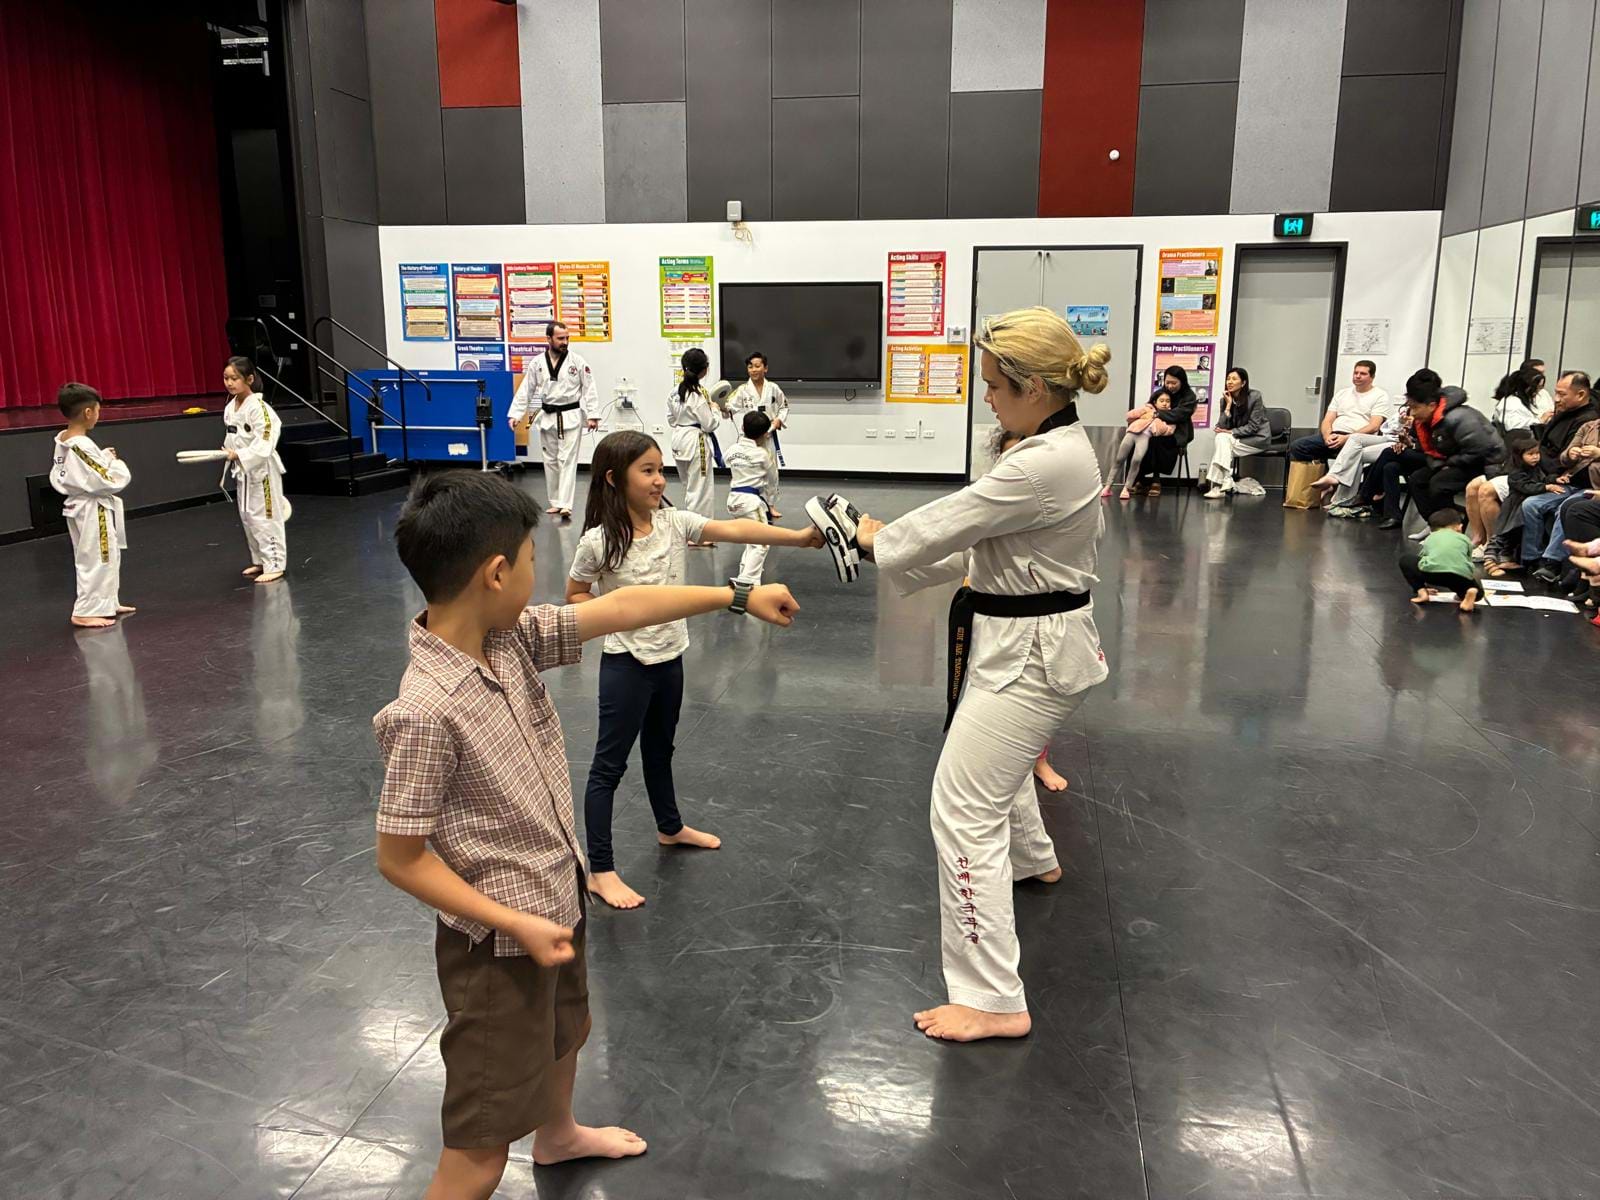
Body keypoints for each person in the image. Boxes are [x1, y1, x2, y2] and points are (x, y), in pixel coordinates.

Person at [373, 471, 800, 1199]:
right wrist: (515, 922)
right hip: (497, 946)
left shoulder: (507, 640)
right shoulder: (423, 709)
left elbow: (625, 606)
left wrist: (735, 596)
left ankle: (559, 1134)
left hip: (553, 895)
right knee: (477, 1148)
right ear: (496, 572)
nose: (543, 574)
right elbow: (401, 859)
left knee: (565, 1033)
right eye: (534, 559)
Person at [855, 306, 1112, 1043]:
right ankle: (1034, 861)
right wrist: (884, 549)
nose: (989, 397)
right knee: (991, 778)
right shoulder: (1052, 443)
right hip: (1022, 639)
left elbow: (953, 519)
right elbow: (985, 557)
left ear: (1034, 386)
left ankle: (994, 997)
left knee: (962, 807)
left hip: (1031, 656)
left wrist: (880, 538)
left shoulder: (1041, 463)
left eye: (996, 384)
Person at [567, 431, 820, 910]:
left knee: (660, 750)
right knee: (609, 768)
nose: (660, 480)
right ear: (613, 478)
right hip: (627, 664)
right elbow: (575, 595)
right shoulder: (598, 542)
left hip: (670, 659)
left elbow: (736, 530)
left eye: (662, 470)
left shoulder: (674, 523)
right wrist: (616, 612)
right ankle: (599, 869)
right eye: (648, 471)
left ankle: (669, 827)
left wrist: (797, 538)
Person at [49, 382, 135, 629]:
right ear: (88, 412)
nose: (98, 416)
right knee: (97, 557)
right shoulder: (81, 445)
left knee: (104, 556)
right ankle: (86, 610)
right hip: (91, 508)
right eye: (97, 410)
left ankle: (106, 602)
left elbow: (83, 470)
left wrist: (103, 458)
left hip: (80, 506)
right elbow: (110, 480)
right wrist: (115, 463)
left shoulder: (64, 440)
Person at [507, 321, 600, 518]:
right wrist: (516, 414)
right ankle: (555, 502)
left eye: (567, 338)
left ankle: (566, 504)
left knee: (566, 460)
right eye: (560, 338)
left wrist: (592, 415)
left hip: (571, 416)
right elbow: (526, 390)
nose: (565, 342)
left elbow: (589, 388)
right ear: (548, 339)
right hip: (548, 416)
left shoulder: (577, 362)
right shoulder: (537, 363)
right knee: (550, 461)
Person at [1517, 371, 1600, 578]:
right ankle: (1530, 559)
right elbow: (1564, 457)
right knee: (1530, 504)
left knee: (1568, 507)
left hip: (1585, 485)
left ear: (1581, 395)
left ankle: (1552, 563)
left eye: (1562, 394)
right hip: (1563, 478)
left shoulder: (1585, 417)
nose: (1556, 399)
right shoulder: (1589, 426)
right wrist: (1571, 454)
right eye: (1556, 393)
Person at [221, 356, 292, 584]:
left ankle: (274, 563)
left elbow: (266, 441)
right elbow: (233, 435)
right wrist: (229, 451)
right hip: (243, 470)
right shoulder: (231, 407)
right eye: (226, 378)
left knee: (266, 516)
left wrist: (241, 454)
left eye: (235, 378)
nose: (230, 383)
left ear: (249, 379)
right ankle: (260, 559)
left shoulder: (260, 409)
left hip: (262, 471)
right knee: (248, 516)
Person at [1404, 382, 1504, 519]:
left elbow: (1479, 450)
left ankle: (1452, 524)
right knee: (1417, 480)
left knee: (1439, 484)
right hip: (1458, 460)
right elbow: (1431, 448)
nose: (1413, 413)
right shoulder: (1427, 420)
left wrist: (1449, 463)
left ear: (1432, 406)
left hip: (1486, 463)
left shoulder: (1459, 417)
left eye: (1415, 408)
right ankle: (1436, 524)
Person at [1289, 360, 1391, 465]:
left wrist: (1347, 438)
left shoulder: (1380, 395)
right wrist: (1327, 436)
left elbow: (1374, 426)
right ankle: (1323, 472)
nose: (1358, 376)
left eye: (1363, 374)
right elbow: (1327, 420)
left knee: (1351, 453)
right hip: (1334, 435)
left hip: (1357, 438)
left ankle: (1334, 476)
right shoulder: (1342, 393)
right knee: (1298, 446)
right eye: (1355, 373)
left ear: (1372, 377)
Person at [666, 347, 722, 533]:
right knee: (701, 490)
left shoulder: (674, 392)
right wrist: (714, 408)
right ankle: (700, 533)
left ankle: (691, 529)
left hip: (679, 440)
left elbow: (671, 419)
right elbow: (710, 424)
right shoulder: (698, 394)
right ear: (704, 369)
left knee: (689, 487)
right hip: (696, 441)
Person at [727, 350, 789, 518]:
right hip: (747, 438)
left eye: (757, 366)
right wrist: (719, 406)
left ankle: (770, 505)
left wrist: (778, 420)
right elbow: (729, 407)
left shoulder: (773, 388)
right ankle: (749, 502)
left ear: (765, 368)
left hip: (767, 436)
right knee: (747, 470)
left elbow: (784, 407)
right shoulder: (742, 390)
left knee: (771, 473)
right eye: (750, 367)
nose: (753, 370)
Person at [725, 411, 782, 585]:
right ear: (765, 434)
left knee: (752, 539)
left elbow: (724, 460)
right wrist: (771, 499)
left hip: (733, 499)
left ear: (742, 428)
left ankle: (745, 572)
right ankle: (747, 580)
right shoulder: (762, 454)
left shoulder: (733, 449)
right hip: (751, 502)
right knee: (762, 541)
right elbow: (773, 480)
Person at [1475, 433, 1546, 570]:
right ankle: (1490, 554)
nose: (1535, 457)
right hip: (1514, 506)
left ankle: (1503, 558)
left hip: (1520, 505)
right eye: (1530, 454)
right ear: (1520, 456)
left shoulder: (1536, 468)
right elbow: (1526, 486)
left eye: (1537, 453)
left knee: (1512, 534)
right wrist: (1545, 487)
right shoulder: (1515, 473)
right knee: (1504, 532)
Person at [1201, 367, 1269, 498]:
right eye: (1228, 379)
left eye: (1234, 379)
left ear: (1243, 383)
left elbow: (1253, 427)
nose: (1229, 382)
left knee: (1222, 443)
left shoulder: (1255, 397)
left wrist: (1230, 431)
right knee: (1221, 440)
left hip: (1257, 439)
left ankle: (1218, 486)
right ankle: (1225, 480)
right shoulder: (1225, 399)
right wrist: (1228, 406)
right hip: (1237, 440)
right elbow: (1221, 426)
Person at [1104, 381, 1177, 500]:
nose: (1164, 403)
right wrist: (1145, 412)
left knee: (1136, 460)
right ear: (1155, 401)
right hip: (1131, 433)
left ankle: (1126, 488)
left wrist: (1157, 419)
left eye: (1167, 401)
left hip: (1144, 437)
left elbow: (1168, 430)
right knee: (1119, 459)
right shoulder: (1147, 409)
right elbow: (1129, 416)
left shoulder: (1170, 417)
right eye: (1162, 400)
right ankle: (1107, 487)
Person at [1132, 365, 1197, 495]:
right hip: (1157, 427)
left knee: (1157, 441)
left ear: (1182, 382)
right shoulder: (1162, 391)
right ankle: (1140, 479)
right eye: (1167, 382)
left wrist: (1156, 414)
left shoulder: (1189, 396)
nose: (1170, 386)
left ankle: (1156, 480)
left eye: (1174, 383)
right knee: (1140, 438)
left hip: (1178, 433)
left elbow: (1178, 415)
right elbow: (1150, 406)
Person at [1401, 507, 1480, 612]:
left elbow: (1422, 558)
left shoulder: (1430, 538)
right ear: (1460, 527)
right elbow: (1468, 560)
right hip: (1458, 576)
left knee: (1406, 560)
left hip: (1432, 574)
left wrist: (1423, 581)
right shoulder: (1465, 539)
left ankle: (1421, 591)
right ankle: (1468, 595)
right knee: (1477, 592)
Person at [1491, 365, 1550, 433]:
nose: (1538, 392)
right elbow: (1512, 425)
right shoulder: (1511, 403)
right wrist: (1539, 421)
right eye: (1537, 388)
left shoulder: (1523, 400)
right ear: (1526, 387)